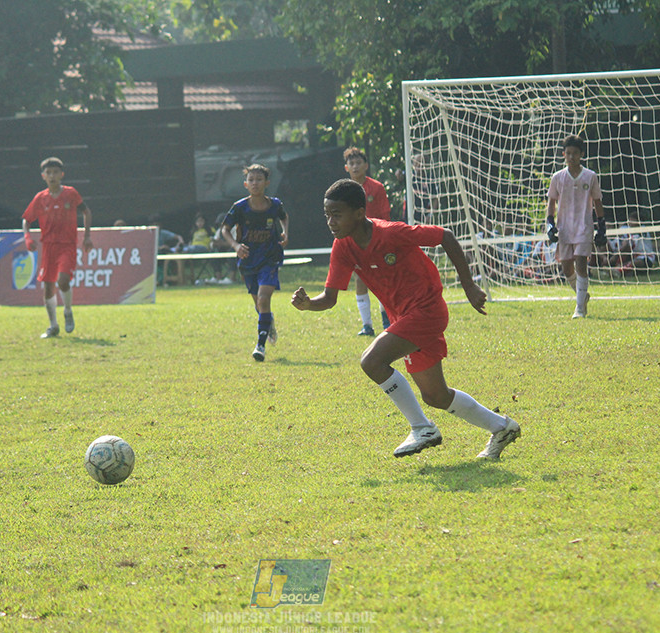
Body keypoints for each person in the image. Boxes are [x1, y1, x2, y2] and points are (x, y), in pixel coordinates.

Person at [291, 179, 521, 460]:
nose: (330, 221)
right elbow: (329, 299)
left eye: (336, 214)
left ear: (360, 213)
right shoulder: (343, 247)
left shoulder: (391, 233)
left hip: (426, 311)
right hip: (405, 318)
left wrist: (469, 286)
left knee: (372, 361)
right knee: (435, 396)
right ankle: (503, 427)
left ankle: (422, 428)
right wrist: (307, 305)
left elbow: (445, 236)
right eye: (327, 214)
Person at [220, 163, 289, 362]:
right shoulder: (240, 207)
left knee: (263, 298)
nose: (255, 183)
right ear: (245, 184)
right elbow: (225, 229)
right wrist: (235, 246)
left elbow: (284, 217)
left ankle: (260, 345)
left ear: (267, 183)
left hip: (270, 257)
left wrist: (286, 233)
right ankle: (269, 323)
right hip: (248, 259)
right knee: (259, 304)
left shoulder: (275, 205)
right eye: (251, 180)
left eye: (259, 180)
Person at [22, 157, 93, 338]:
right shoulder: (40, 198)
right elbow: (26, 220)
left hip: (67, 246)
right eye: (49, 173)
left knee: (62, 281)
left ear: (62, 175)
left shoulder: (70, 194)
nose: (52, 176)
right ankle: (53, 326)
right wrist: (28, 237)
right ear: (43, 176)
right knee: (48, 288)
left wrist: (86, 236)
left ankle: (67, 311)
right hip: (48, 247)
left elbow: (86, 211)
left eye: (55, 172)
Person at [546, 134, 606, 318]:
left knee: (581, 262)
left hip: (584, 226)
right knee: (566, 268)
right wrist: (550, 223)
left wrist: (601, 226)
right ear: (564, 154)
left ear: (581, 154)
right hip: (564, 227)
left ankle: (579, 308)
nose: (571, 157)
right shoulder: (558, 177)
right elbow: (551, 202)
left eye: (575, 153)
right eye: (568, 153)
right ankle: (582, 296)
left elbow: (597, 202)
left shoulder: (590, 176)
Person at [343, 147, 391, 336]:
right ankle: (367, 325)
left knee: (382, 278)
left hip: (376, 239)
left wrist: (383, 236)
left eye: (358, 163)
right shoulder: (344, 190)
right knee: (360, 278)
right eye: (351, 163)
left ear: (366, 166)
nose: (355, 167)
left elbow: (385, 214)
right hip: (354, 241)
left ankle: (387, 322)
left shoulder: (376, 188)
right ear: (346, 167)